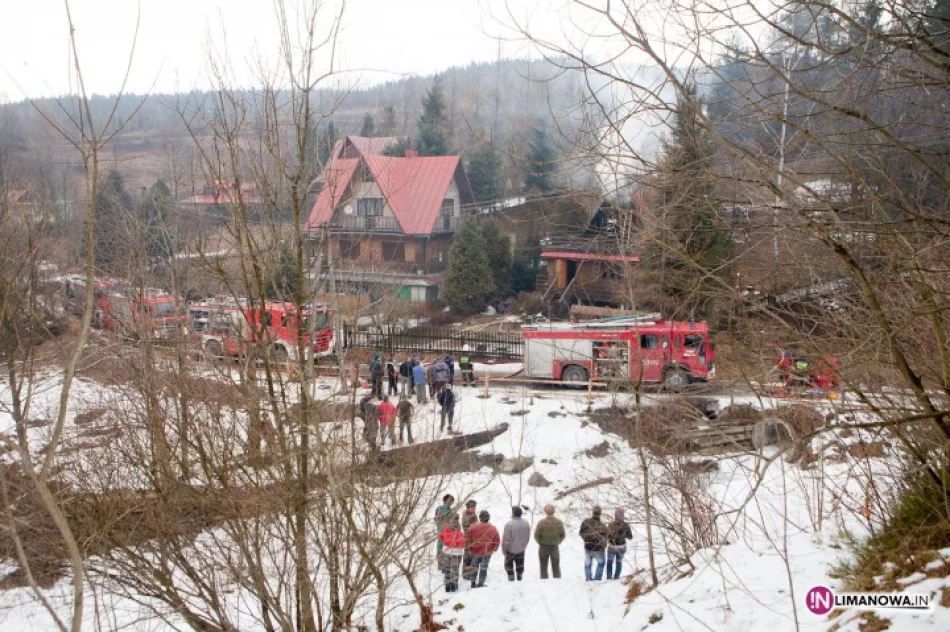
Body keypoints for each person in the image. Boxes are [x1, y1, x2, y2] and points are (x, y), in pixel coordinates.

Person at [467, 510, 500, 587]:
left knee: (474, 567)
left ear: (480, 517)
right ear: (488, 518)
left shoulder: (473, 527)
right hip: (487, 552)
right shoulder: (493, 528)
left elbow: (468, 538)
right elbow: (497, 540)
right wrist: (494, 549)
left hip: (475, 551)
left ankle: (473, 582)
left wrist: (469, 548)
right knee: (483, 567)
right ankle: (481, 583)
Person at [534, 504, 565, 579]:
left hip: (543, 546)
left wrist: (540, 542)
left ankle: (544, 580)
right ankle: (557, 580)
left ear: (545, 511)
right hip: (554, 546)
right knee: (556, 565)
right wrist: (558, 541)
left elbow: (536, 535)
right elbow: (563, 535)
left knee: (543, 565)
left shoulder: (541, 522)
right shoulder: (559, 522)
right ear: (554, 511)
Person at [579, 505, 609, 581]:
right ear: (600, 513)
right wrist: (603, 546)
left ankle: (588, 579)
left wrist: (586, 540)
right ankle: (597, 579)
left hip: (588, 546)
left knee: (587, 564)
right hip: (598, 549)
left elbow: (581, 533)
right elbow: (605, 540)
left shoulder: (586, 522)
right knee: (601, 563)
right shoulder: (603, 526)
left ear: (592, 512)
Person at [502, 505, 530, 581]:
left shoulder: (509, 524)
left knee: (509, 566)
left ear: (513, 514)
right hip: (521, 549)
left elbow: (505, 539)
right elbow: (527, 536)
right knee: (520, 565)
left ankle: (511, 580)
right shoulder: (526, 523)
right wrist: (524, 545)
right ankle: (519, 577)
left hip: (510, 550)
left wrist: (504, 551)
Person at [440, 514, 466, 593]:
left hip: (446, 552)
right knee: (455, 570)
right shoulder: (460, 533)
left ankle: (447, 586)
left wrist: (448, 543)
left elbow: (441, 538)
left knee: (447, 569)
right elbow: (462, 544)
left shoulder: (445, 531)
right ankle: (454, 586)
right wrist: (456, 543)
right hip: (456, 554)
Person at [606, 507, 633, 580]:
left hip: (612, 546)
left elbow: (607, 536)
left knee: (609, 562)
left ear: (615, 515)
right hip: (622, 546)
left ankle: (609, 577)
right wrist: (624, 534)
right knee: (619, 562)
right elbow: (630, 537)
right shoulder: (626, 525)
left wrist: (611, 538)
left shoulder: (611, 524)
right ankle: (616, 577)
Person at [434, 494, 455, 568]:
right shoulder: (439, 508)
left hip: (448, 532)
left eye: (452, 501)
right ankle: (440, 564)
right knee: (440, 547)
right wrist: (442, 526)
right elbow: (436, 519)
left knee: (446, 548)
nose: (451, 503)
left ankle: (445, 565)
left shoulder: (451, 510)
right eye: (450, 501)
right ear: (445, 501)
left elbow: (453, 521)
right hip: (441, 531)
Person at [460, 499, 479, 583]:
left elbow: (476, 524)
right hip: (468, 539)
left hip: (473, 538)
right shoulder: (465, 515)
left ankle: (470, 572)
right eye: (473, 507)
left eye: (475, 507)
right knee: (467, 556)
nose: (475, 509)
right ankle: (465, 574)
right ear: (469, 507)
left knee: (472, 556)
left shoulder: (473, 513)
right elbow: (468, 527)